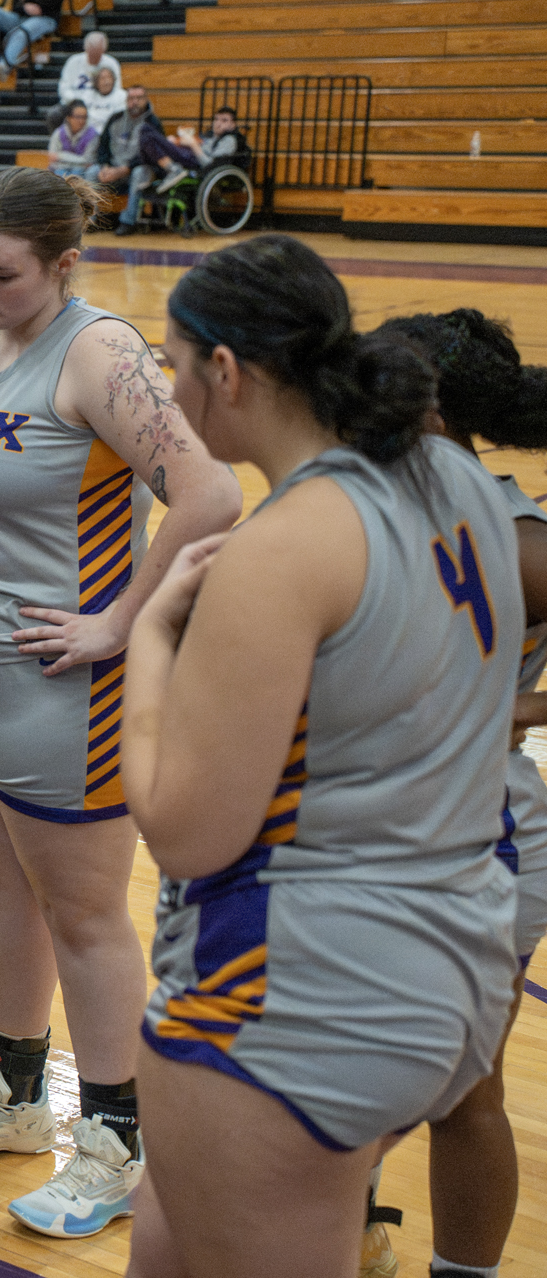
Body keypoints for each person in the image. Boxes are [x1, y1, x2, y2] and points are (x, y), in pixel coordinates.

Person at [120, 236, 523, 1278]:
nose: (166, 391)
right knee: (161, 1229)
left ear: (225, 373)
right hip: (451, 963)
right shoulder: (455, 479)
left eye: (172, 365)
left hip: (296, 995)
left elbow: (182, 828)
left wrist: (150, 645)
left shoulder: (284, 545)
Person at [0, 167, 242, 1239]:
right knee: (0, 896)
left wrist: (120, 622)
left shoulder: (99, 353)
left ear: (62, 263)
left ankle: (115, 1136)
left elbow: (210, 495)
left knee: (85, 918)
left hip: (61, 677)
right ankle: (13, 1096)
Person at [365, 309, 547, 1278]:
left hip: (484, 830)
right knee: (347, 1070)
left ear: (427, 408)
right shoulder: (363, 502)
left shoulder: (517, 535)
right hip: (370, 824)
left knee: (460, 1092)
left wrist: (518, 701)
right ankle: (341, 1222)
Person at [96, 83, 163, 234]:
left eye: (139, 98)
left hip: (138, 169)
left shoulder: (152, 123)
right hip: (113, 167)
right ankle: (91, 219)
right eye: (131, 98)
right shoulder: (115, 119)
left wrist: (126, 168)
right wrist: (104, 165)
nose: (135, 102)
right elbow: (102, 146)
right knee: (91, 172)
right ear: (126, 100)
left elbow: (153, 154)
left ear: (146, 100)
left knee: (140, 173)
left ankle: (128, 221)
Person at [57, 30, 119, 105]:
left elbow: (116, 90)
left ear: (103, 51)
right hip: (74, 103)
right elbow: (64, 88)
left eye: (97, 54)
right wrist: (76, 102)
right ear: (85, 48)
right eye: (91, 53)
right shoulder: (73, 62)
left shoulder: (111, 63)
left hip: (102, 104)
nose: (94, 57)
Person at [48, 100, 99, 180]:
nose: (81, 121)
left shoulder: (92, 135)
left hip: (82, 171)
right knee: (56, 173)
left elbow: (88, 160)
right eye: (78, 117)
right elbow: (52, 157)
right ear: (68, 117)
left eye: (84, 117)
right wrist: (78, 160)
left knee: (86, 171)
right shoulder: (58, 133)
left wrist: (60, 156)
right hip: (61, 169)